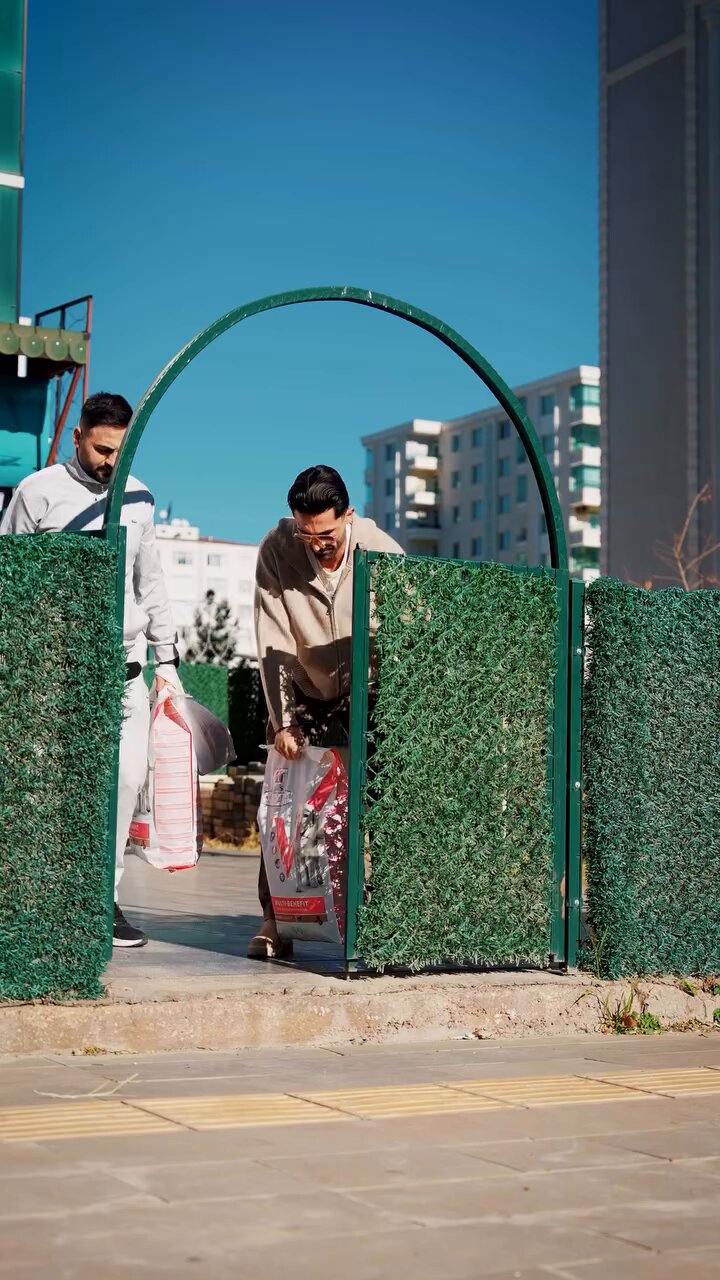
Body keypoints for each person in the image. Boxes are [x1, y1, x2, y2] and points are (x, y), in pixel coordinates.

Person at [0, 391, 181, 948]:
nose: (110, 462)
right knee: (44, 786)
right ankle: (31, 902)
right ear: (77, 437)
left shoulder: (140, 498)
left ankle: (104, 900)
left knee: (126, 779)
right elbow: (9, 574)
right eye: (101, 450)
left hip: (122, 668)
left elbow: (150, 582)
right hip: (51, 669)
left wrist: (167, 660)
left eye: (119, 452)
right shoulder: (35, 492)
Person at [251, 464, 403, 959]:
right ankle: (275, 920)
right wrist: (284, 720)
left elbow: (413, 619)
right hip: (306, 686)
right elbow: (272, 637)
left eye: (327, 533)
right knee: (284, 804)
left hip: (369, 684)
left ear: (349, 516)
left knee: (379, 799)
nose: (317, 543)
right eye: (306, 532)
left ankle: (379, 917)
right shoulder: (277, 548)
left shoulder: (380, 547)